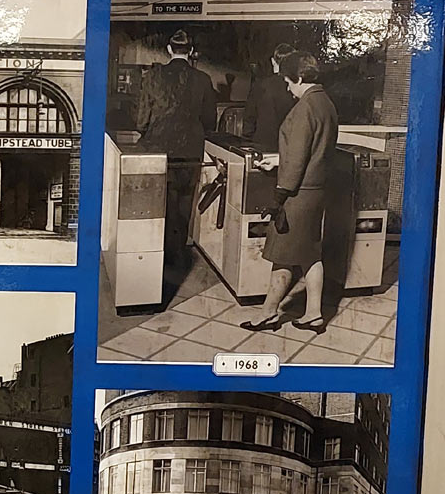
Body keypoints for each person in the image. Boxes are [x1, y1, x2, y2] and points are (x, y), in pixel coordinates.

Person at [240, 50, 341, 335]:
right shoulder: (325, 103)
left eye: (288, 81)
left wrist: (279, 195)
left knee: (282, 256)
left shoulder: (304, 108)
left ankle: (268, 314)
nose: (287, 87)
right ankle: (314, 314)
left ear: (299, 78)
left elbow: (297, 159)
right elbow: (312, 152)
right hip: (316, 191)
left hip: (297, 194)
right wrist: (281, 160)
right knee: (310, 255)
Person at [135, 29, 218, 293]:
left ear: (169, 50)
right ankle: (178, 255)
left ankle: (158, 258)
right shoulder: (203, 80)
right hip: (191, 153)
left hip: (158, 153)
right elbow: (209, 122)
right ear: (191, 52)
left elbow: (141, 121)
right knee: (183, 205)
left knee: (160, 206)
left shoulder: (152, 76)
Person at [243, 44, 296, 153]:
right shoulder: (297, 87)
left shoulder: (260, 85)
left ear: (273, 61)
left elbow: (249, 119)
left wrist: (247, 141)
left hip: (262, 146)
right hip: (290, 147)